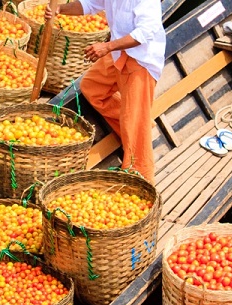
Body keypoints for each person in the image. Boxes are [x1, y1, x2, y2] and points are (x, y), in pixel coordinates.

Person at [45, 0, 165, 184]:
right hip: (119, 53)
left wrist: (106, 47)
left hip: (141, 59)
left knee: (133, 121)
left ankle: (139, 177)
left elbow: (144, 33)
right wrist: (60, 9)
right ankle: (139, 126)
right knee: (92, 87)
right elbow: (89, 4)